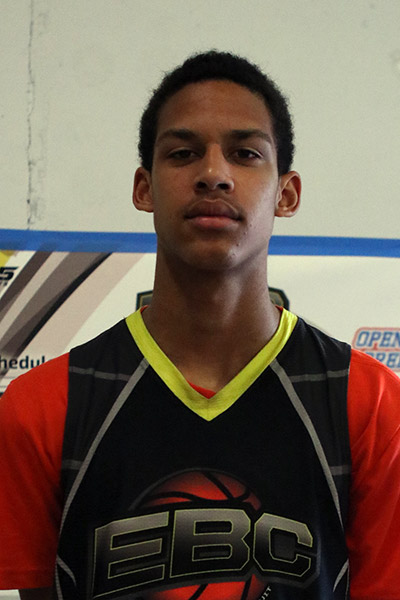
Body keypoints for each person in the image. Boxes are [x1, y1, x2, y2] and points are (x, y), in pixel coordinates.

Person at [0, 51, 399, 600]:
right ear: (144, 189)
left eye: (245, 153)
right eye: (183, 153)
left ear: (286, 194)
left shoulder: (373, 406)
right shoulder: (41, 407)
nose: (214, 174)